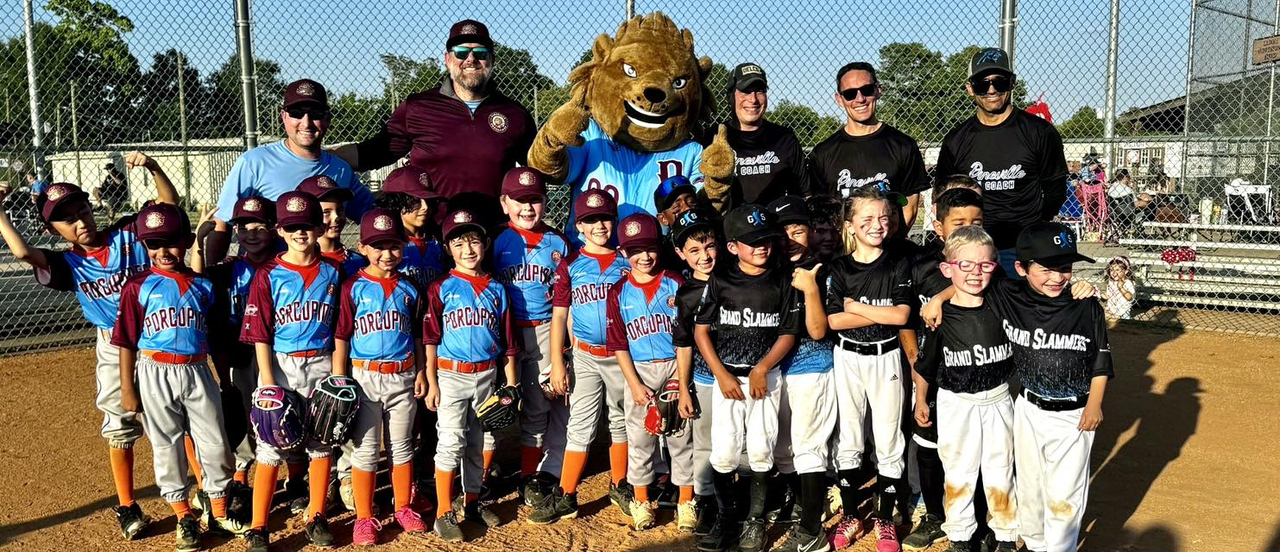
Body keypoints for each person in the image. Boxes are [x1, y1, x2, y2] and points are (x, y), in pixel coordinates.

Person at [0, 153, 177, 542]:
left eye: (82, 210)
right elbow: (22, 253)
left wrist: (152, 167)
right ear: (51, 229)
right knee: (120, 424)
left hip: (159, 335)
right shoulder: (68, 264)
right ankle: (127, 505)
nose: (80, 222)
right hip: (113, 345)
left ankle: (203, 495)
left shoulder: (128, 233)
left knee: (174, 416)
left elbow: (168, 205)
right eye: (67, 220)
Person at [923, 222, 1110, 552]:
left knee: (1064, 495)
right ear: (1021, 268)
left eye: (1064, 267)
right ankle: (1033, 544)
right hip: (1027, 409)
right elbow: (969, 278)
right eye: (1046, 268)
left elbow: (1101, 357)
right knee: (1028, 487)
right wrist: (938, 297)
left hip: (1072, 413)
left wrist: (1095, 403)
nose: (1056, 277)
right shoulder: (1008, 294)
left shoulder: (1084, 305)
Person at [114, 202, 248, 550]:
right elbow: (126, 341)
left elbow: (217, 339)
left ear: (187, 241)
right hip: (154, 370)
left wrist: (226, 381)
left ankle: (218, 511)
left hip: (197, 369)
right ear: (144, 246)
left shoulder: (204, 286)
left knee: (215, 442)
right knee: (166, 445)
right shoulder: (137, 286)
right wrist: (127, 387)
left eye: (171, 241)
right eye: (153, 243)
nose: (163, 251)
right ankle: (184, 516)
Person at [332, 20, 536, 228]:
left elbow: (539, 166)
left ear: (492, 60)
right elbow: (375, 152)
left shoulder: (515, 114)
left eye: (480, 53)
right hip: (432, 234)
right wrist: (320, 157)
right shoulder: (418, 106)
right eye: (461, 52)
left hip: (493, 233)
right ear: (448, 59)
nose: (471, 59)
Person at [239, 190, 343, 551]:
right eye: (291, 226)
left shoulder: (333, 271)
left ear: (320, 228)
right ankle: (258, 526)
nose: (300, 232)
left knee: (321, 441)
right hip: (281, 365)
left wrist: (337, 373)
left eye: (307, 225)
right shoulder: (268, 274)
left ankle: (316, 515)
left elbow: (341, 328)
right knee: (270, 444)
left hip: (321, 362)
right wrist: (267, 380)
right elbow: (260, 333)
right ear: (280, 230)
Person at [693, 204, 800, 552]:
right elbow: (701, 331)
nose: (761, 247)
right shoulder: (721, 279)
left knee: (760, 449)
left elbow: (788, 332)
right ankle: (727, 523)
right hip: (728, 379)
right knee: (724, 452)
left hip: (764, 379)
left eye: (765, 239)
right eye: (752, 242)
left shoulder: (782, 279)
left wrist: (762, 367)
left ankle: (755, 522)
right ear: (732, 246)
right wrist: (721, 375)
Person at [528, 189, 634, 525]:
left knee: (620, 421)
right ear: (579, 226)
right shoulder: (571, 264)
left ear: (614, 221)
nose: (598, 226)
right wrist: (558, 361)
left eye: (604, 218)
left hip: (620, 356)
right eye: (590, 220)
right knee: (580, 425)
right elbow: (559, 316)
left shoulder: (626, 262)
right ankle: (567, 494)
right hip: (585, 356)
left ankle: (620, 484)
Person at [911, 225, 1018, 552]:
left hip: (998, 398)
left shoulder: (1002, 302)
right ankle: (959, 537)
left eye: (985, 265)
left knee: (1001, 471)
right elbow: (925, 365)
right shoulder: (940, 318)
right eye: (965, 265)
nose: (975, 272)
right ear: (947, 269)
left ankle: (1005, 536)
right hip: (956, 402)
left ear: (995, 267)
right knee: (959, 472)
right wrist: (920, 399)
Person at [824, 186, 913, 552]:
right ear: (849, 225)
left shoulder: (897, 262)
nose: (878, 225)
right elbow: (834, 321)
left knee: (889, 439)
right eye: (867, 219)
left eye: (884, 217)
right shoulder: (840, 267)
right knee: (850, 438)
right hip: (847, 357)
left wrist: (857, 307)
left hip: (885, 355)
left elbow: (901, 315)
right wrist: (876, 313)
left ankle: (885, 518)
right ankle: (850, 515)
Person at [332, 209, 429, 545]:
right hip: (364, 378)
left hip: (403, 375)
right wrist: (339, 378)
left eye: (394, 246)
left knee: (402, 445)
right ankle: (364, 516)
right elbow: (342, 336)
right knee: (366, 449)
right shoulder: (353, 287)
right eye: (378, 246)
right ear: (362, 247)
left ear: (404, 246)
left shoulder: (410, 287)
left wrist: (421, 371)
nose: (387, 254)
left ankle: (403, 506)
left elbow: (418, 335)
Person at [899, 187, 987, 552]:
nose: (968, 229)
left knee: (975, 451)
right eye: (958, 222)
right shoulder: (921, 265)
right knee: (928, 444)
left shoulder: (987, 264)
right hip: (930, 372)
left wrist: (941, 296)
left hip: (973, 375)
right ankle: (935, 516)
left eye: (976, 222)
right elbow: (906, 319)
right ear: (938, 227)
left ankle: (981, 521)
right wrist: (915, 361)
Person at [424, 208, 519, 542]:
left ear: (486, 244)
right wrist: (432, 381)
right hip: (451, 375)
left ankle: (473, 503)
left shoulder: (497, 289)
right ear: (447, 248)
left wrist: (511, 383)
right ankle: (443, 512)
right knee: (451, 442)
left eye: (474, 241)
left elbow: (508, 343)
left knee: (479, 444)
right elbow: (430, 339)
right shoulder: (442, 287)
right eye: (459, 243)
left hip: (487, 375)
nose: (468, 249)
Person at [206, 79, 374, 262]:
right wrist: (213, 272)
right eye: (296, 113)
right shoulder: (254, 162)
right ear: (284, 116)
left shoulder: (340, 169)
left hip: (323, 273)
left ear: (327, 118)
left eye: (315, 114)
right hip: (265, 272)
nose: (306, 123)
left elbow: (370, 213)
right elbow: (222, 222)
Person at [934, 48, 1068, 276]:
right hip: (972, 249)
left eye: (1000, 82)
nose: (991, 90)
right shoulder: (956, 140)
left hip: (1023, 249)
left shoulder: (1040, 132)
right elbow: (943, 195)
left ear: (1012, 82)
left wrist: (1033, 226)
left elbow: (1055, 191)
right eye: (982, 84)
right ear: (969, 88)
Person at [605, 213, 693, 531]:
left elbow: (687, 337)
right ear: (622, 252)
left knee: (681, 435)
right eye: (635, 250)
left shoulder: (676, 282)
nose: (644, 256)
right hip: (639, 371)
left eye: (650, 248)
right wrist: (634, 384)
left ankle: (686, 501)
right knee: (640, 438)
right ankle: (641, 500)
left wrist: (681, 380)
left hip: (674, 365)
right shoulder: (618, 292)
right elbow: (619, 344)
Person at [490, 167, 572, 506]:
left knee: (537, 406)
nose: (527, 208)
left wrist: (562, 346)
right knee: (495, 406)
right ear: (504, 203)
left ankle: (529, 476)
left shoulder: (558, 242)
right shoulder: (495, 240)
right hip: (503, 333)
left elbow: (566, 298)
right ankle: (482, 476)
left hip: (543, 331)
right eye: (519, 200)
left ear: (546, 202)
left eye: (535, 200)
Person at [766, 197, 837, 552]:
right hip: (776, 369)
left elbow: (819, 331)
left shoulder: (822, 271)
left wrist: (810, 288)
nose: (791, 239)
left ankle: (812, 531)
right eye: (783, 233)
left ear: (809, 232)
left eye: (798, 230)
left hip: (812, 365)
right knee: (782, 449)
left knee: (809, 448)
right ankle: (806, 504)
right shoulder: (768, 268)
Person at [198, 196, 275, 521]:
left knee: (279, 412)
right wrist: (199, 241)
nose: (251, 233)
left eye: (259, 226)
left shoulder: (283, 265)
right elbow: (197, 281)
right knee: (240, 413)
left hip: (278, 352)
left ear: (274, 228)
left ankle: (297, 475)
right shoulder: (229, 270)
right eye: (243, 227)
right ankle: (241, 478)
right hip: (241, 353)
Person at [805, 62, 929, 234]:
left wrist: (886, 243)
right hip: (842, 247)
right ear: (839, 99)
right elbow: (820, 210)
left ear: (878, 90)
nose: (860, 99)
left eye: (867, 90)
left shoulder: (903, 145)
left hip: (888, 245)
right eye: (850, 94)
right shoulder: (823, 153)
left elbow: (910, 207)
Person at [702, 63, 806, 209]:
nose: (753, 99)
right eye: (745, 91)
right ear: (730, 97)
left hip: (774, 222)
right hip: (728, 222)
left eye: (760, 91)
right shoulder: (712, 138)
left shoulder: (784, 138)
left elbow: (804, 194)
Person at [298, 174, 364, 275]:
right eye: (326, 212)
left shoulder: (360, 262)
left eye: (340, 210)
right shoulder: (294, 263)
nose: (336, 217)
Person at [1104, 169, 1136, 244]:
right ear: (1125, 178)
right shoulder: (1127, 190)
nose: (1129, 179)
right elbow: (1134, 203)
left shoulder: (1112, 188)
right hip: (1128, 213)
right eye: (1128, 177)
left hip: (1114, 213)